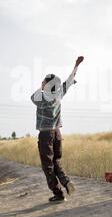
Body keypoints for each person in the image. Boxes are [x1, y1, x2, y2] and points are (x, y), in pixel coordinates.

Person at [31, 56, 84, 202]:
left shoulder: (40, 97)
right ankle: (66, 182)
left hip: (45, 135)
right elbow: (69, 81)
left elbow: (33, 96)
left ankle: (58, 193)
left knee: (47, 165)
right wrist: (76, 65)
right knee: (56, 162)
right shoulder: (58, 95)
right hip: (57, 133)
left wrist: (43, 86)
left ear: (46, 84)